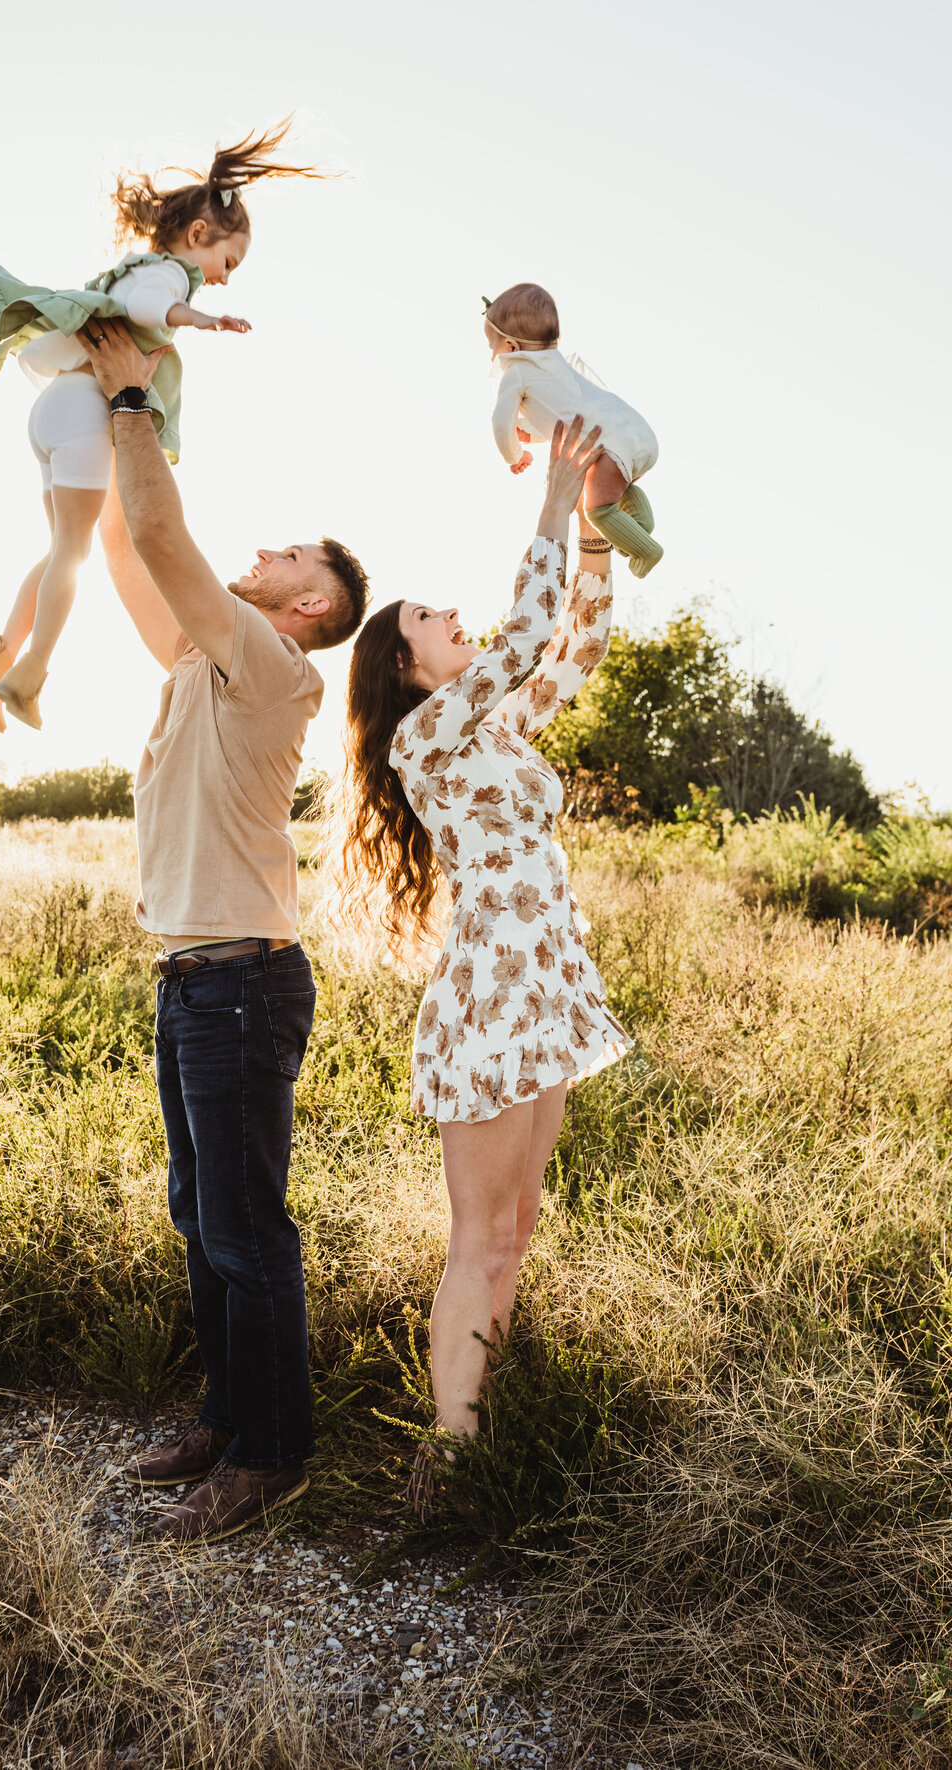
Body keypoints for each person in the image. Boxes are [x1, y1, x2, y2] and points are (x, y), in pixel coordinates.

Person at [73, 317, 369, 1544]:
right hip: (198, 981)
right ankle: (226, 1415)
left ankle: (269, 1454)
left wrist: (139, 398)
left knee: (247, 1229)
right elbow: (126, 547)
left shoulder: (274, 666)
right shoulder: (206, 659)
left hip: (244, 986)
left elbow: (163, 533)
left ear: (306, 604)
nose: (262, 548)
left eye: (288, 550)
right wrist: (87, 410)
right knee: (203, 1219)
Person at [333, 417, 632, 1509]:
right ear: (405, 667)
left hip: (542, 989)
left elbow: (573, 651)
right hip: (491, 1003)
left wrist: (594, 532)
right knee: (480, 1235)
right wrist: (550, 502)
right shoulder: (426, 739)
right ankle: (446, 1464)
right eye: (429, 618)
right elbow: (520, 641)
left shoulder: (494, 732)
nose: (455, 617)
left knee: (519, 1227)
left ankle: (480, 1425)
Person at [0, 122, 327, 731]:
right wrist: (200, 318)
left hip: (57, 410)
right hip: (82, 413)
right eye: (227, 261)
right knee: (74, 553)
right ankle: (27, 675)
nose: (225, 275)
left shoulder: (138, 266)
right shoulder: (168, 276)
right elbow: (149, 307)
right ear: (198, 234)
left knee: (61, 551)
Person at [486, 283, 662, 576]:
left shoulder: (515, 370)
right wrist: (532, 434)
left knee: (598, 510)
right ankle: (640, 527)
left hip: (612, 446)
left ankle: (647, 551)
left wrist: (515, 454)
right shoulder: (558, 365)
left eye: (491, 346)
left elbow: (500, 422)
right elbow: (562, 418)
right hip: (634, 430)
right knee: (616, 483)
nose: (492, 355)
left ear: (511, 347)